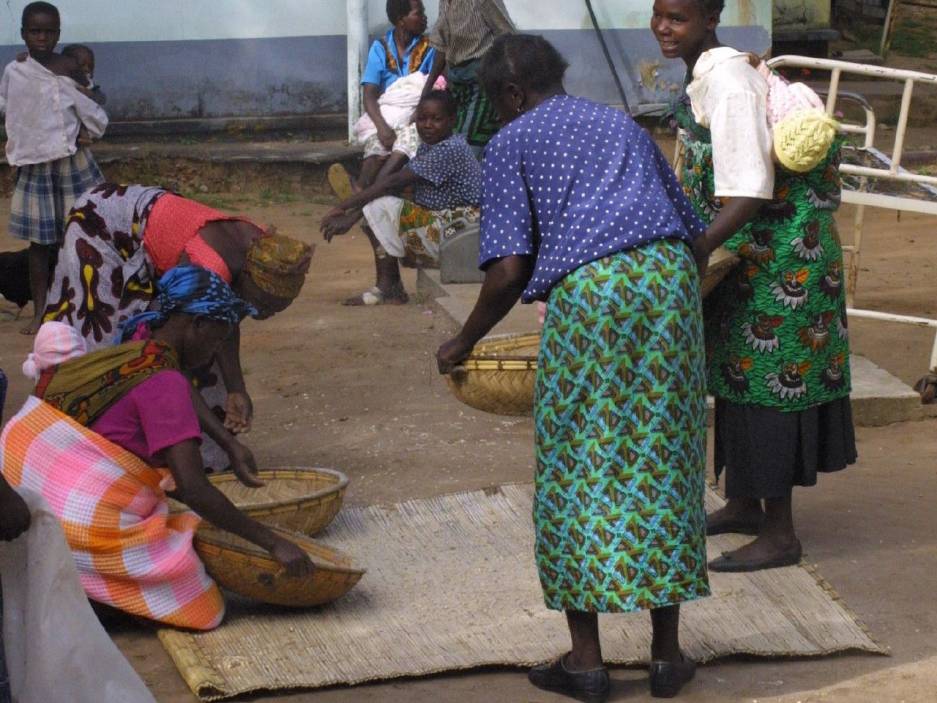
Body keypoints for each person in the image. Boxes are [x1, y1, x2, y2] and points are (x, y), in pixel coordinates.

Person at [436, 35, 710, 702]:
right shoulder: (619, 123)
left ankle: (586, 662)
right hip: (668, 283)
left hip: (592, 296)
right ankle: (666, 655)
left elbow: (508, 271)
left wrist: (462, 340)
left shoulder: (511, 142)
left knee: (576, 461)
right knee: (663, 454)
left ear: (510, 94)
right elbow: (691, 229)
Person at [651, 0, 857, 572]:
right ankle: (743, 503)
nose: (664, 27)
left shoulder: (730, 84)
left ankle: (780, 533)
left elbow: (749, 190)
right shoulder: (712, 71)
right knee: (735, 375)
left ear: (709, 20)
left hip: (782, 256)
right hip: (753, 252)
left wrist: (696, 248)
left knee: (770, 387)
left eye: (678, 18)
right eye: (659, 14)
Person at [1, 267, 314, 630]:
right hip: (73, 521)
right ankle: (95, 595)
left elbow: (175, 382)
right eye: (216, 340)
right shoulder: (165, 383)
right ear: (197, 324)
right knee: (203, 602)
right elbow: (194, 488)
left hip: (24, 496)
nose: (214, 351)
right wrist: (273, 543)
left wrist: (228, 443)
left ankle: (77, 582)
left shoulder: (137, 351)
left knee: (178, 523)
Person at [42, 182, 312, 468]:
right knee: (114, 346)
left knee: (205, 344)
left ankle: (204, 460)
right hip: (102, 226)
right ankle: (90, 451)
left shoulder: (266, 250)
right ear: (245, 280)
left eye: (275, 309)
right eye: (261, 305)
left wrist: (237, 388)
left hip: (157, 227)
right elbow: (164, 361)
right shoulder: (208, 267)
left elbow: (225, 324)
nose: (263, 314)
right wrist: (228, 441)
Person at [0, 2, 107, 336]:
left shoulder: (69, 68)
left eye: (48, 32)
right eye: (35, 31)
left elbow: (91, 103)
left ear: (58, 34)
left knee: (80, 237)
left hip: (72, 164)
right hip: (35, 165)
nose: (42, 38)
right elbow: (8, 105)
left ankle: (83, 306)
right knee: (39, 243)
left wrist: (90, 130)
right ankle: (42, 310)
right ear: (23, 34)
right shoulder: (15, 71)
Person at [321, 90, 481, 306]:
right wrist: (354, 213)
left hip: (460, 233)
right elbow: (395, 187)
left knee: (379, 207)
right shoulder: (430, 147)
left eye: (436, 119)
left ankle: (389, 287)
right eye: (422, 119)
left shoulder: (449, 149)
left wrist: (344, 208)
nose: (427, 125)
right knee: (377, 207)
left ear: (452, 120)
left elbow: (392, 182)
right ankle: (390, 286)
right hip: (450, 227)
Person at [343, 0, 436, 195]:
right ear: (401, 20)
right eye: (419, 13)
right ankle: (363, 188)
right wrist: (382, 127)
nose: (425, 18)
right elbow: (369, 95)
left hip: (416, 114)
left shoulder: (430, 48)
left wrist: (417, 113)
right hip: (388, 115)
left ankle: (368, 193)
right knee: (377, 145)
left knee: (408, 140)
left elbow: (434, 88)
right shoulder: (380, 48)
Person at [423, 0, 515, 157]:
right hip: (457, 84)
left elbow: (506, 35)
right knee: (449, 138)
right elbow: (441, 47)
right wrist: (426, 91)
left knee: (465, 144)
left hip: (481, 80)